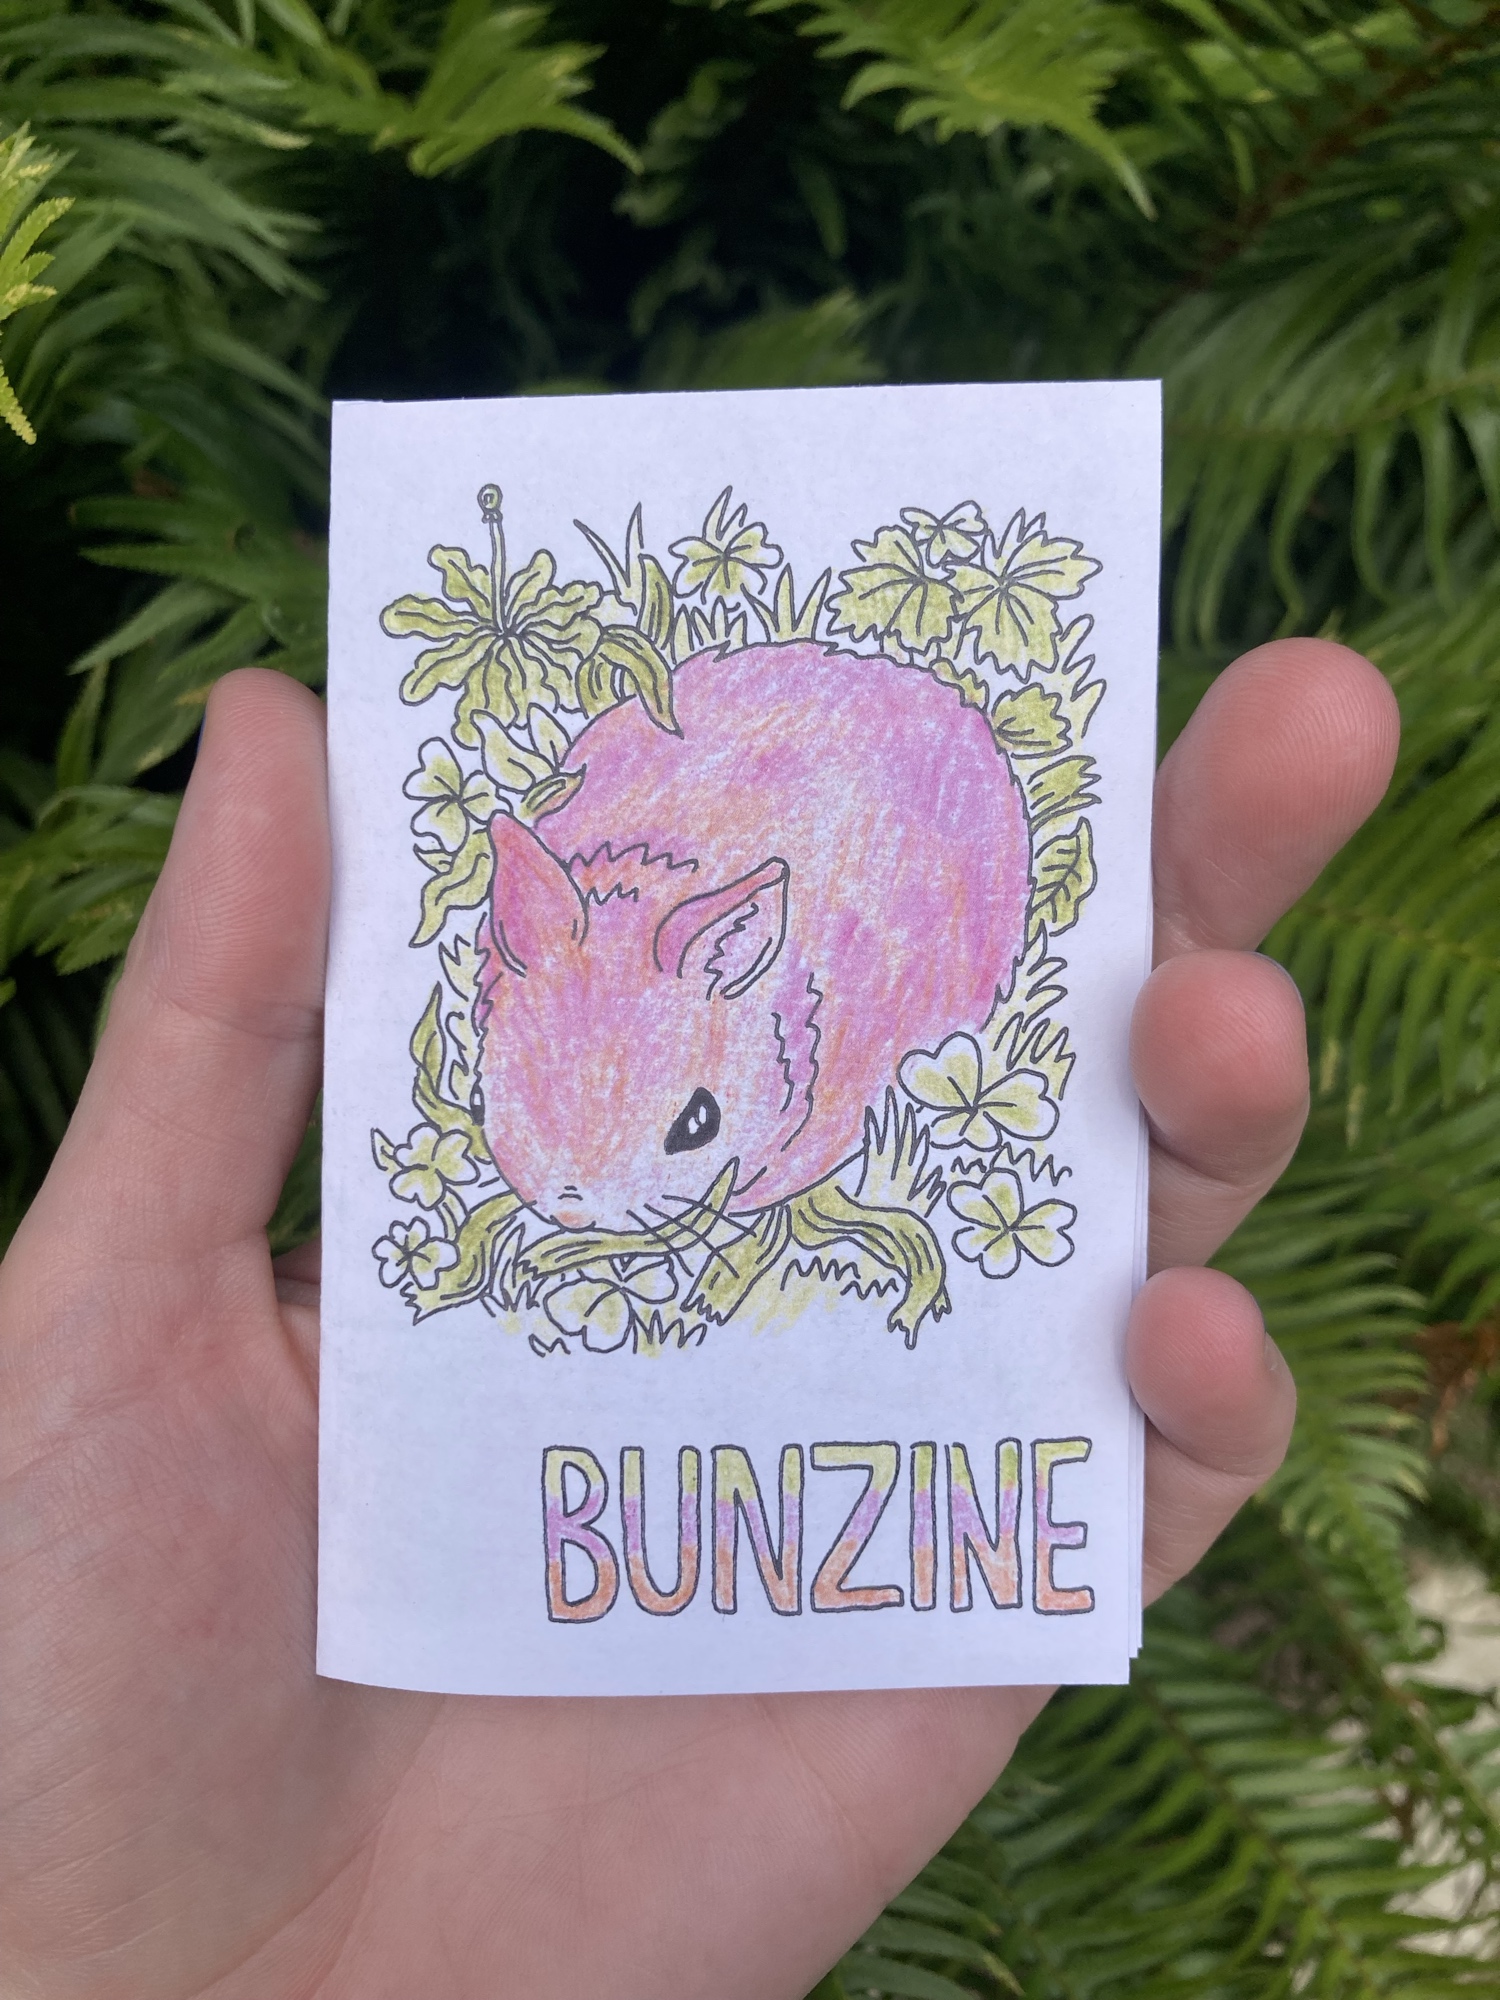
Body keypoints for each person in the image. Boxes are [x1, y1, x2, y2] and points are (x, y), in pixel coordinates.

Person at [0, 638, 1399, 2000]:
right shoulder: (548, 932)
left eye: (679, 1131)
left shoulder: (837, 987)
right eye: (543, 1121)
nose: (600, 1214)